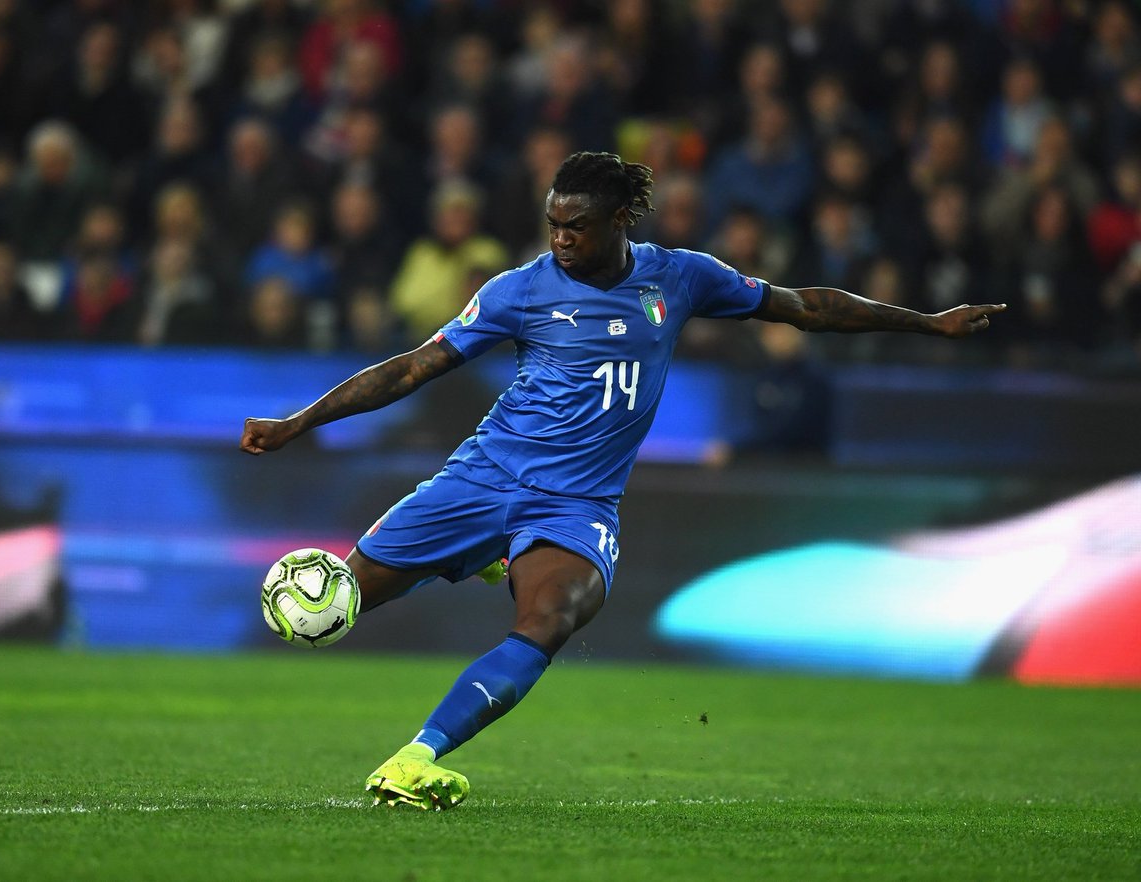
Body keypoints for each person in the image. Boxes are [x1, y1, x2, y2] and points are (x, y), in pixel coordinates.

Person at [238, 152, 1004, 811]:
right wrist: (299, 422)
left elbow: (805, 307)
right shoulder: (518, 290)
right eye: (553, 224)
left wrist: (926, 321)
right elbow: (413, 368)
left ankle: (416, 757)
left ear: (620, 221)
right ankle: (490, 550)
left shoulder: (681, 278)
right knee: (341, 604)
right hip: (483, 477)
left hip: (575, 504)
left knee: (552, 617)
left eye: (577, 225)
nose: (561, 239)